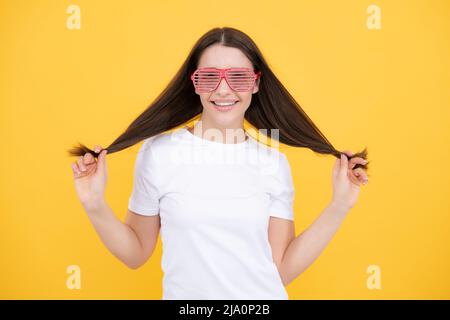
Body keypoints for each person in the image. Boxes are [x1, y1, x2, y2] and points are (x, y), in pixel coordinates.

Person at [68, 27, 369, 299]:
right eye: (209, 77)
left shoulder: (273, 164)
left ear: (255, 83)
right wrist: (94, 204)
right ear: (194, 84)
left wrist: (339, 205)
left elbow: (279, 269)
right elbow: (135, 254)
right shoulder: (159, 154)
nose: (223, 90)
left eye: (238, 77)